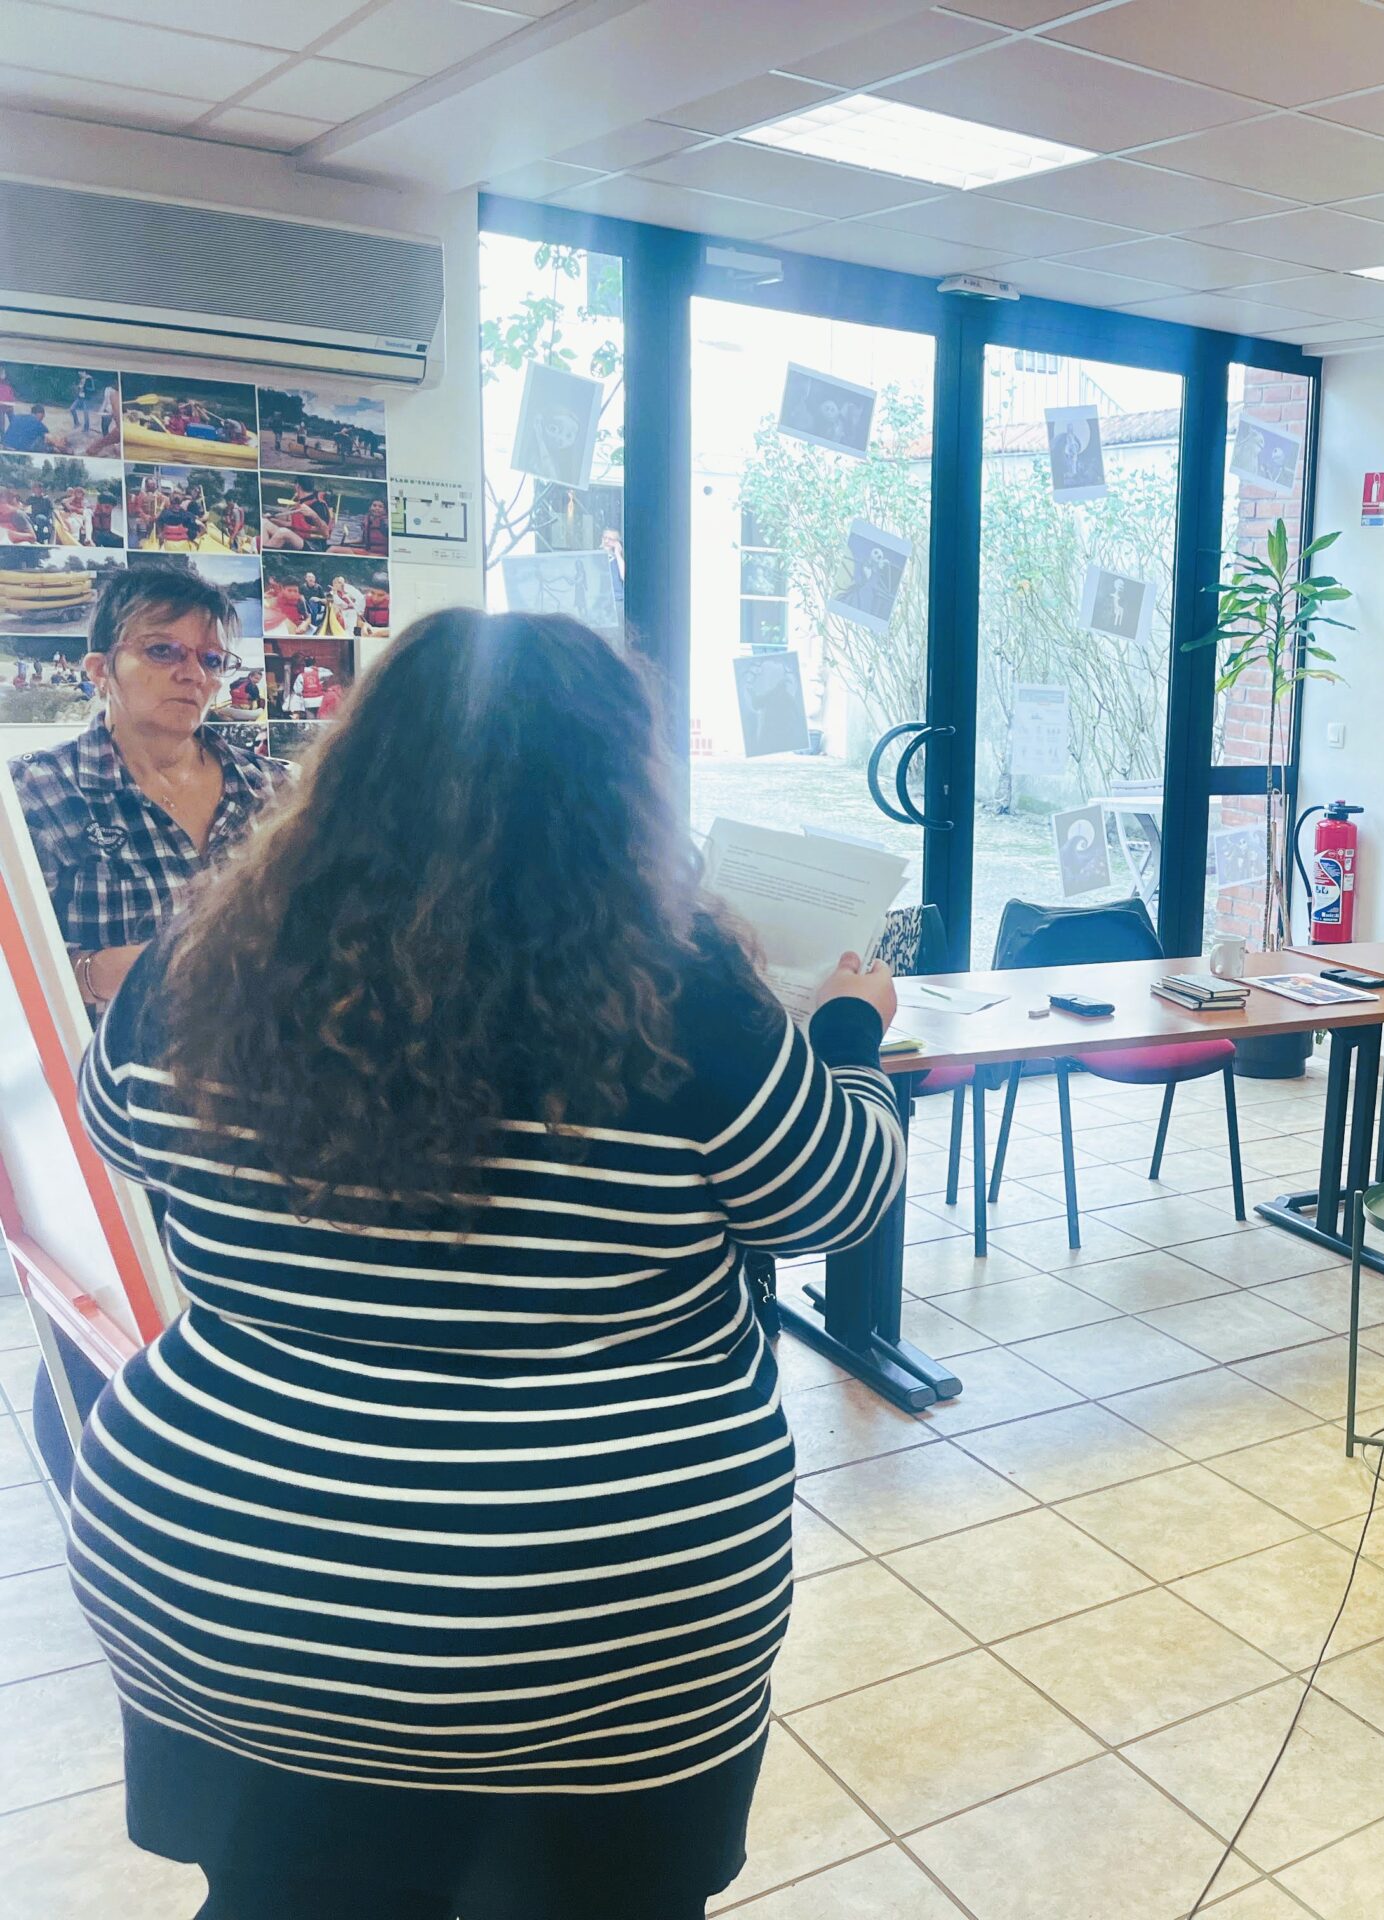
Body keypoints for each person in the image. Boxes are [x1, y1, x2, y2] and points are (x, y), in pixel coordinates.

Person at [69, 608, 907, 1920]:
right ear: (620, 789)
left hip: (234, 1586)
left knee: (286, 1900)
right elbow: (834, 1197)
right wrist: (850, 1033)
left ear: (360, 760)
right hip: (593, 1619)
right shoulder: (678, 981)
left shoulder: (214, 947)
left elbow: (120, 1128)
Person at [9, 563, 286, 1015]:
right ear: (101, 670)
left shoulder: (274, 789)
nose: (194, 674)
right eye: (162, 650)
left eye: (211, 660)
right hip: (121, 1054)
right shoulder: (35, 794)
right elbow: (13, 973)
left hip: (263, 1050)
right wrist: (104, 973)